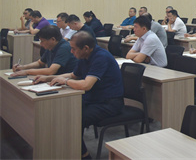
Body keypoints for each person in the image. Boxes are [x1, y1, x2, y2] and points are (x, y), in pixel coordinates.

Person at [35, 31, 123, 159]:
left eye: (73, 49)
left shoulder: (101, 57)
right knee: (64, 111)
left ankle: (83, 155)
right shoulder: (84, 56)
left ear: (85, 48)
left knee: (73, 118)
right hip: (93, 99)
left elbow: (86, 85)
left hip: (109, 103)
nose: (71, 51)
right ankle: (65, 151)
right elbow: (73, 75)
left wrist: (65, 81)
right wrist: (49, 78)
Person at [11, 26, 77, 76]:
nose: (40, 44)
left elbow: (51, 71)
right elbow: (40, 63)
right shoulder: (51, 47)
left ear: (53, 39)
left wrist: (27, 72)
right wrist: (23, 67)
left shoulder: (64, 48)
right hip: (55, 79)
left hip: (67, 82)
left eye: (42, 41)